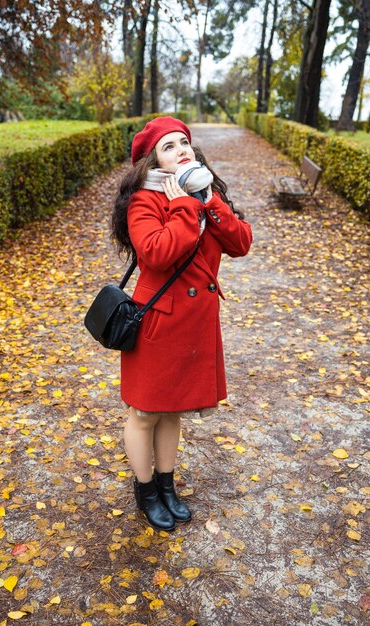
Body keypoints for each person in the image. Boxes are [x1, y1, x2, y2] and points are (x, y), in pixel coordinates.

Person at [111, 116, 252, 531]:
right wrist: (185, 205)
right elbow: (156, 253)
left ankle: (167, 487)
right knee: (144, 412)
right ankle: (146, 491)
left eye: (184, 142)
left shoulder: (203, 190)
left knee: (172, 412)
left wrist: (207, 199)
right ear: (152, 160)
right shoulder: (145, 200)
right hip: (159, 324)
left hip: (194, 324)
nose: (181, 150)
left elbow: (240, 242)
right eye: (168, 146)